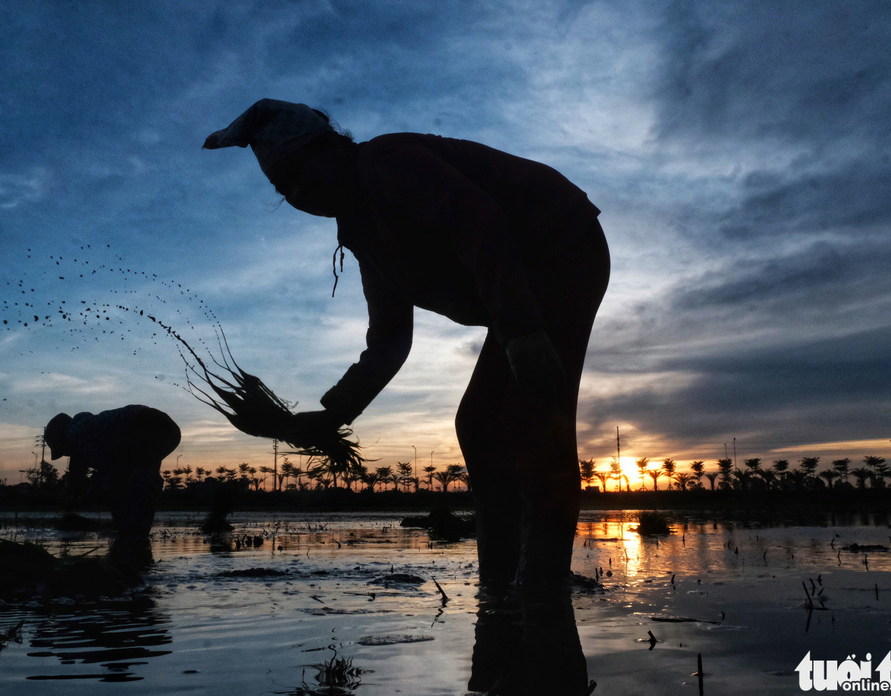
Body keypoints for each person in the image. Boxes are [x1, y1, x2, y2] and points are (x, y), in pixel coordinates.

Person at [204, 99, 609, 589]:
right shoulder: (361, 233)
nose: (296, 192)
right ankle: (502, 578)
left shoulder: (385, 161)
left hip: (561, 247)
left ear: (330, 148)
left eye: (298, 172)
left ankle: (543, 582)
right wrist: (334, 416)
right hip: (519, 293)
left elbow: (475, 219)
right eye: (281, 186)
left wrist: (521, 328)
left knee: (529, 416)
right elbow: (390, 340)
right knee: (480, 425)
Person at [44, 405, 181, 540]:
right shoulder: (90, 432)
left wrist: (81, 496)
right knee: (135, 478)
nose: (66, 455)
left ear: (62, 438)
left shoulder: (75, 433)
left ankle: (130, 531)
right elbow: (103, 469)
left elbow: (86, 470)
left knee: (119, 482)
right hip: (167, 430)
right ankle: (134, 531)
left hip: (146, 425)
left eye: (63, 451)